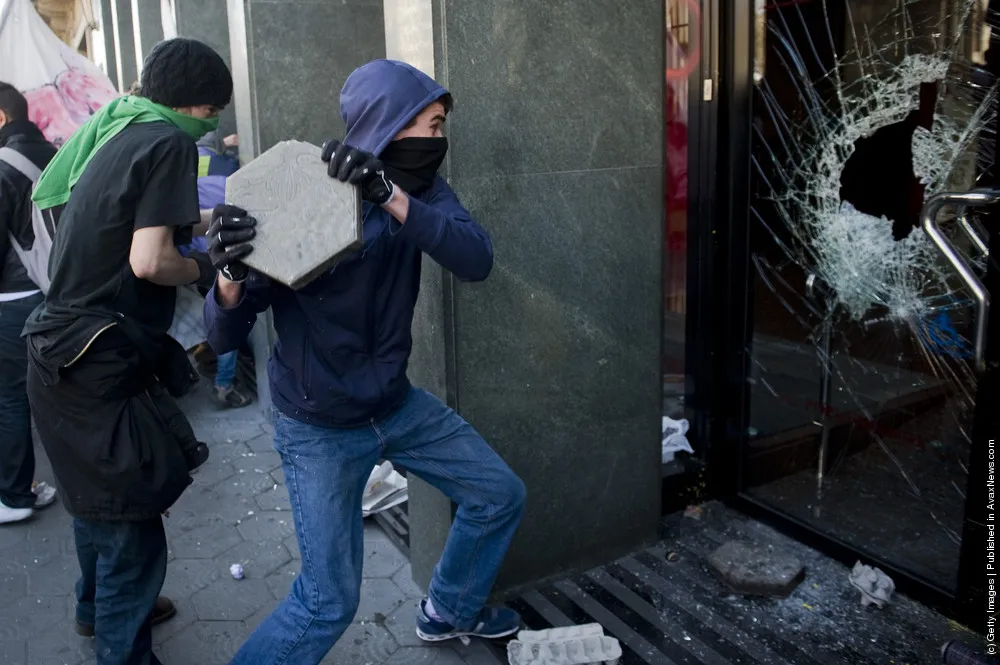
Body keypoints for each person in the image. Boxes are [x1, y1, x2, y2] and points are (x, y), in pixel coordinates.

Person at [205, 59, 527, 664]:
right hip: (319, 426)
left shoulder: (422, 191)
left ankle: (448, 611)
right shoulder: (305, 195)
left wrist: (392, 196)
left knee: (498, 494)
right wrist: (227, 275)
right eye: (430, 126)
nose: (439, 140)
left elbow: (475, 258)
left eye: (440, 127)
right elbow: (224, 335)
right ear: (391, 124)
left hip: (396, 405)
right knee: (327, 603)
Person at [22, 38, 229, 665]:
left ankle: (95, 608)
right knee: (130, 530)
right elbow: (149, 260)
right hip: (96, 361)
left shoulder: (116, 129)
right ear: (197, 104)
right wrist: (203, 267)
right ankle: (121, 637)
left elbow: (114, 230)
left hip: (55, 350)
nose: (214, 123)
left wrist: (192, 232)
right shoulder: (168, 141)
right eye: (213, 111)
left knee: (92, 499)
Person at [0, 82, 58, 524]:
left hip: (13, 301)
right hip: (56, 290)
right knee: (52, 394)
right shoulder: (58, 153)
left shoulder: (3, 167)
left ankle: (14, 496)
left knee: (11, 400)